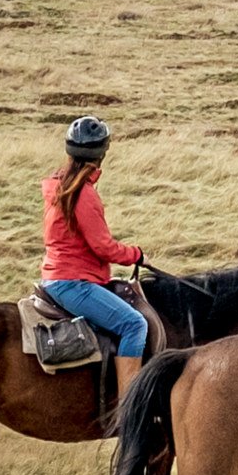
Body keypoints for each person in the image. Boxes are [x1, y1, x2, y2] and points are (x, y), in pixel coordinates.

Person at [38, 116, 157, 418]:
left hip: (61, 275)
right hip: (72, 282)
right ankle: (130, 408)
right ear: (101, 153)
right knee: (135, 324)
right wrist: (136, 255)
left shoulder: (59, 185)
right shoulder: (84, 195)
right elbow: (102, 246)